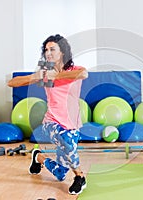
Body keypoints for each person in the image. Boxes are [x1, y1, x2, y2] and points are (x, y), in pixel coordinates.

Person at [7, 34, 88, 194]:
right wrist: (36, 77)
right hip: (51, 122)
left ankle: (38, 157)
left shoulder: (74, 70)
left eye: (52, 49)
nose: (48, 52)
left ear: (62, 51)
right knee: (65, 140)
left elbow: (84, 74)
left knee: (60, 174)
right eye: (46, 50)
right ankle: (80, 176)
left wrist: (56, 76)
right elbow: (12, 83)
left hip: (72, 125)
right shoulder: (45, 72)